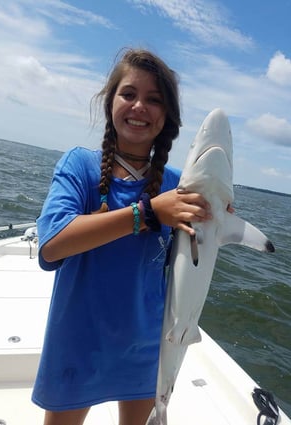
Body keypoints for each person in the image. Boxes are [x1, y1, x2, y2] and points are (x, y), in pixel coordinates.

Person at [32, 48, 212, 425]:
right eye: (128, 94)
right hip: (77, 339)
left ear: (167, 118)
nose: (139, 107)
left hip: (145, 346)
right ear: (110, 102)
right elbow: (52, 244)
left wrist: (218, 209)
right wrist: (146, 213)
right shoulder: (78, 165)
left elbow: (201, 246)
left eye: (154, 100)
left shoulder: (179, 185)